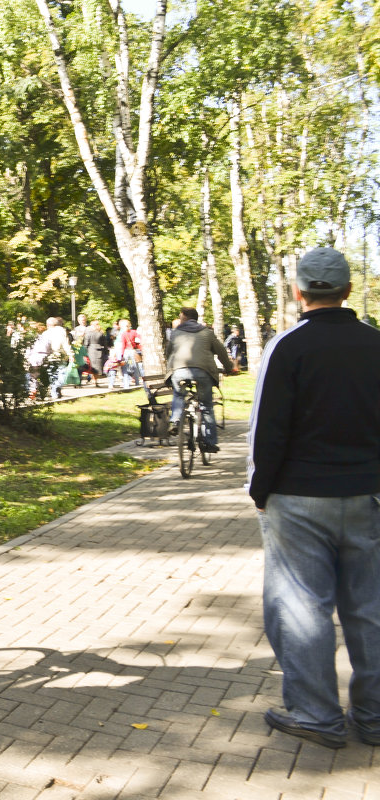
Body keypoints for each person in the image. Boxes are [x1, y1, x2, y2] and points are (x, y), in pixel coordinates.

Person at [247, 246, 380, 750]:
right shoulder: (377, 344)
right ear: (348, 290)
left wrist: (261, 492)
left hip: (299, 497)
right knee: (371, 608)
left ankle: (316, 714)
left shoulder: (287, 346)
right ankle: (374, 716)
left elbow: (268, 429)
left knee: (301, 606)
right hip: (369, 494)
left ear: (299, 291)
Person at [166, 307, 236, 452]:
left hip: (178, 371)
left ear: (184, 318)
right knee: (206, 406)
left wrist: (172, 368)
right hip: (203, 372)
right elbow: (221, 351)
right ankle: (209, 442)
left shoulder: (176, 333)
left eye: (181, 317)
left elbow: (168, 352)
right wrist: (229, 367)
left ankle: (175, 420)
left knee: (179, 395)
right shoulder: (207, 333)